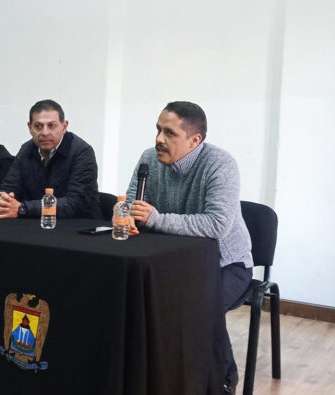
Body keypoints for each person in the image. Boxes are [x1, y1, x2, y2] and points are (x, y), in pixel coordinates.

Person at [125, 101, 253, 394]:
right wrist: (126, 215)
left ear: (195, 140)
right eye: (158, 130)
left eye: (169, 133)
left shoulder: (221, 164)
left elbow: (216, 225)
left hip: (226, 264)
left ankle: (222, 378)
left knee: (197, 304)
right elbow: (132, 204)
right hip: (172, 261)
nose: (159, 139)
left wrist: (155, 219)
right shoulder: (149, 159)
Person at [0, 99, 100, 219]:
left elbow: (75, 203)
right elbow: (8, 187)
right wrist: (2, 202)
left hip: (78, 227)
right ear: (30, 128)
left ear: (64, 127)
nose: (44, 132)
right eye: (38, 126)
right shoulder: (26, 149)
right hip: (35, 224)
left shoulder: (82, 152)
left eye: (51, 126)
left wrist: (23, 208)